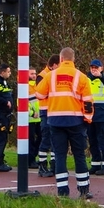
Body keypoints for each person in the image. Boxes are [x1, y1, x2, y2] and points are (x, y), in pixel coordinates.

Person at [36, 47, 94, 198]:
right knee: (79, 155)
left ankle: (62, 192)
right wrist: (87, 120)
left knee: (60, 156)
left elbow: (39, 94)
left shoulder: (50, 76)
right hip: (75, 121)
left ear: (60, 60)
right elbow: (88, 102)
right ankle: (84, 191)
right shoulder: (81, 77)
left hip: (55, 121)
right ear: (73, 60)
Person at [87, 58, 104, 175]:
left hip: (102, 115)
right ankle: (95, 164)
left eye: (96, 67)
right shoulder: (87, 80)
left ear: (101, 68)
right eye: (92, 67)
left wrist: (101, 76)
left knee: (103, 140)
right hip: (89, 114)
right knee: (92, 141)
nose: (94, 70)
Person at [36, 54, 60, 177]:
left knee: (55, 139)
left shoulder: (54, 75)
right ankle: (42, 166)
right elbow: (41, 93)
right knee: (46, 138)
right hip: (46, 111)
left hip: (55, 111)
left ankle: (54, 165)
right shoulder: (42, 76)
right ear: (54, 65)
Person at [27, 66, 41, 168]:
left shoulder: (38, 85)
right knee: (30, 140)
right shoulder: (25, 86)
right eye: (31, 74)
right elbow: (22, 103)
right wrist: (31, 113)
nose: (34, 75)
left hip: (39, 118)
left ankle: (33, 157)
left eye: (35, 73)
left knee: (42, 137)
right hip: (30, 118)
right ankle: (31, 160)